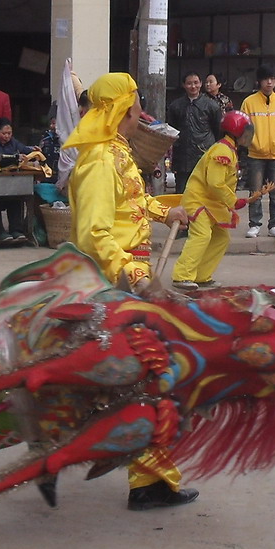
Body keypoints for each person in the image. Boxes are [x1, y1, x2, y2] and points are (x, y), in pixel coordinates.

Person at [64, 72, 194, 511]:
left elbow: (130, 207)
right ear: (122, 111)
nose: (142, 113)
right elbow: (94, 233)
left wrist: (167, 210)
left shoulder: (116, 153)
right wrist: (132, 270)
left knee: (151, 379)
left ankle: (150, 478)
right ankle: (149, 480)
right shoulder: (100, 160)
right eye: (137, 105)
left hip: (126, 281)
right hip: (114, 286)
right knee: (152, 379)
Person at [173, 110, 251, 290]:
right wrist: (233, 201)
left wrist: (230, 202)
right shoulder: (223, 150)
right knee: (202, 235)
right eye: (245, 132)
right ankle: (182, 276)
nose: (248, 137)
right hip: (198, 200)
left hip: (210, 202)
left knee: (220, 237)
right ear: (236, 131)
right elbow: (215, 183)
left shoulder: (229, 150)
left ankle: (201, 275)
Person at [240, 64, 275, 241]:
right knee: (255, 191)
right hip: (255, 155)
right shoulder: (249, 102)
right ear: (259, 81)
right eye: (266, 79)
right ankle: (255, 224)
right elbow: (242, 127)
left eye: (272, 79)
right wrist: (253, 143)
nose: (270, 82)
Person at [166, 71, 224, 193]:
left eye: (196, 83)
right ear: (183, 85)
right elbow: (171, 130)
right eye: (189, 83)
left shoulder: (211, 106)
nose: (193, 86)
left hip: (204, 154)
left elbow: (218, 130)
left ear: (201, 84)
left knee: (204, 194)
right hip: (183, 157)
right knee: (182, 193)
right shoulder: (176, 106)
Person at [0, 117, 34, 243]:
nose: (7, 136)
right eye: (4, 133)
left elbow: (24, 150)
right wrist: (15, 157)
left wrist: (33, 152)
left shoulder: (13, 142)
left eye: (9, 133)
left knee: (16, 198)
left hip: (10, 179)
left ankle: (16, 230)